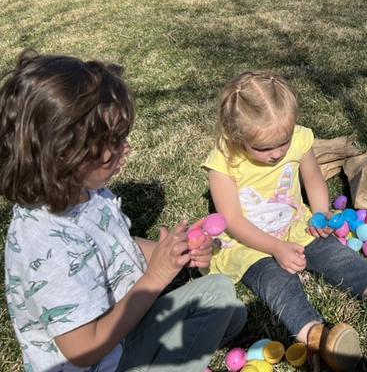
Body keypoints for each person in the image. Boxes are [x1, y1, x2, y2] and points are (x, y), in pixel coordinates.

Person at [1, 50, 246, 372]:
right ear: (65, 153)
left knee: (227, 306)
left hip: (121, 337)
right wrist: (157, 276)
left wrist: (173, 251)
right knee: (217, 300)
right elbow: (83, 350)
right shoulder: (47, 246)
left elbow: (115, 247)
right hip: (100, 361)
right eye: (114, 142)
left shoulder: (88, 194)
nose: (126, 148)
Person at [205, 71, 367, 372]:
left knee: (333, 253)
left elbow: (312, 178)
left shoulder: (297, 139)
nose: (277, 154)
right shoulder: (224, 160)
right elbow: (231, 220)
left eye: (283, 142)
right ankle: (317, 336)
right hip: (250, 243)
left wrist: (320, 213)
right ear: (236, 135)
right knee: (276, 280)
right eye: (264, 148)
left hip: (295, 225)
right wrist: (276, 247)